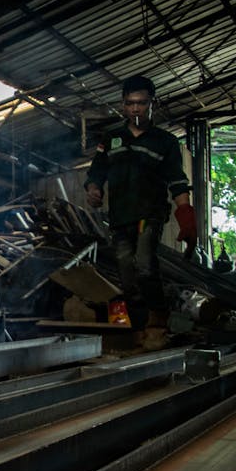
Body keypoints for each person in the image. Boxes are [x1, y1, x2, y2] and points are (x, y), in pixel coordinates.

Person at [84, 75, 196, 349]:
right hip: (120, 216)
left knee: (145, 264)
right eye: (130, 104)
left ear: (151, 104)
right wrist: (94, 188)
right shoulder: (111, 138)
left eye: (141, 103)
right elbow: (96, 171)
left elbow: (177, 181)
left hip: (151, 213)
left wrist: (187, 217)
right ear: (122, 105)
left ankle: (158, 317)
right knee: (125, 270)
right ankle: (136, 322)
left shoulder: (165, 142)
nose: (135, 109)